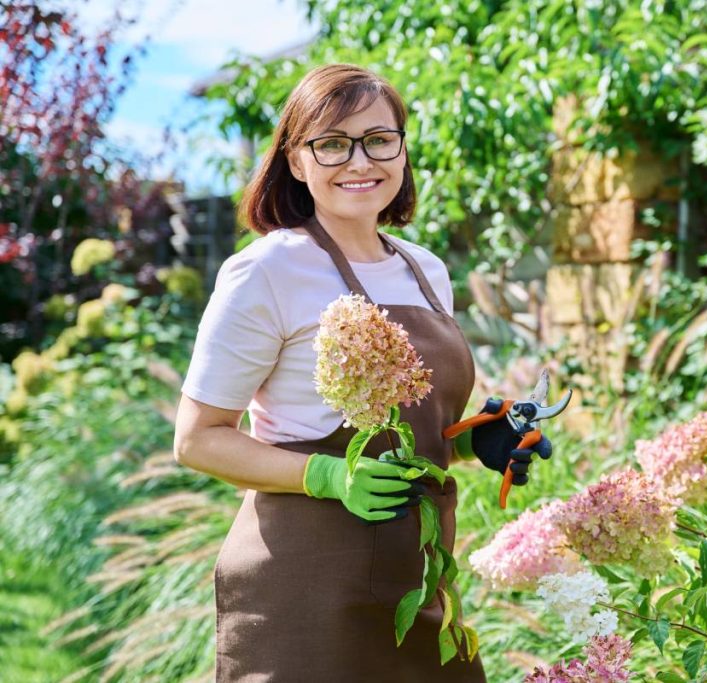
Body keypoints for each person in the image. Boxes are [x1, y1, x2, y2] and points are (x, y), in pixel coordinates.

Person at [172, 63, 553, 682]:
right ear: (296, 161)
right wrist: (326, 474)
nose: (360, 162)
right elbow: (197, 437)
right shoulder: (266, 272)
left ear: (402, 150)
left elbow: (414, 428)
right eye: (331, 143)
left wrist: (478, 437)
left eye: (379, 139)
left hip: (418, 574)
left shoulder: (424, 270)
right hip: (305, 581)